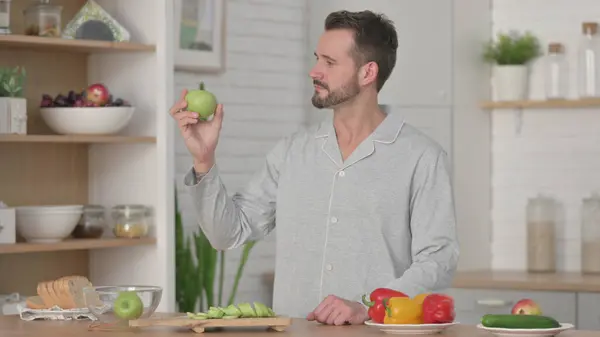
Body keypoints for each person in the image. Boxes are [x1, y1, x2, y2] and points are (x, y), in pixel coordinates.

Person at [170, 9, 459, 326]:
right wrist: (204, 160)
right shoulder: (292, 151)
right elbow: (228, 234)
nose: (314, 71)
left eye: (329, 63)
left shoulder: (421, 157)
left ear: (367, 73)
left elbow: (438, 260)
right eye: (317, 59)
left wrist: (368, 306)